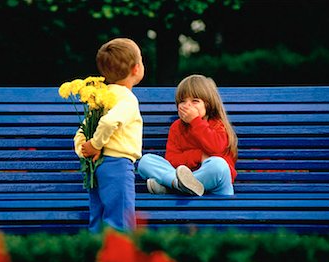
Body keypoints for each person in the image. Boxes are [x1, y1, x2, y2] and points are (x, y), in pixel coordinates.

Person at [74, 38, 145, 232]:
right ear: (136, 69)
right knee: (120, 219)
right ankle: (119, 259)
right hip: (118, 165)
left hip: (96, 166)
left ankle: (94, 255)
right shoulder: (128, 100)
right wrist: (96, 144)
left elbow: (82, 131)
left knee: (97, 217)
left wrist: (85, 151)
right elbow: (108, 122)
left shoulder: (102, 97)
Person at [137, 74, 238, 196]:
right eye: (183, 101)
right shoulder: (176, 127)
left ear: (208, 104)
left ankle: (173, 186)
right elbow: (172, 160)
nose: (187, 105)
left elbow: (215, 148)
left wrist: (195, 121)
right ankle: (180, 184)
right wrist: (198, 156)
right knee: (145, 162)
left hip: (216, 189)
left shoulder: (218, 124)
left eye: (195, 101)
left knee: (219, 165)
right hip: (181, 178)